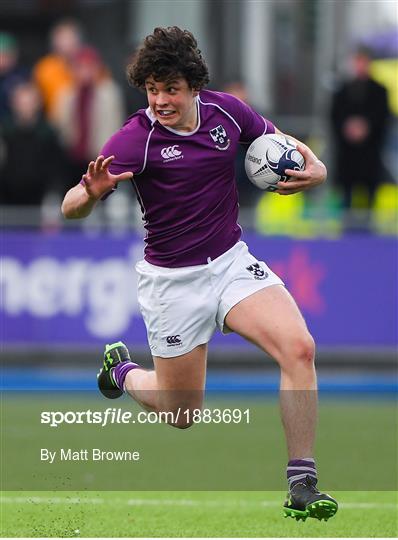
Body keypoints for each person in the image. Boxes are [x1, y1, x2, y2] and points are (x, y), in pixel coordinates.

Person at [61, 26, 337, 521]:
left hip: (231, 263)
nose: (160, 100)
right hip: (172, 282)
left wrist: (315, 169)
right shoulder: (134, 139)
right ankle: (121, 371)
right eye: (151, 89)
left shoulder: (227, 112)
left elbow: (276, 139)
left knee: (300, 348)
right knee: (181, 413)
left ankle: (302, 481)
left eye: (170, 88)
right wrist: (92, 191)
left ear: (193, 85)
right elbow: (70, 207)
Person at [330, 45, 390, 213]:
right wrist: (348, 128)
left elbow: (383, 118)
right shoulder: (342, 90)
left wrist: (366, 128)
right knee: (346, 198)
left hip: (370, 155)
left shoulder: (380, 91)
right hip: (347, 155)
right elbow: (334, 117)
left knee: (370, 199)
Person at [53, 45, 124, 183]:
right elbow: (59, 125)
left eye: (89, 67)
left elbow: (115, 126)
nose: (85, 72)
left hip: (99, 157)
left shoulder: (109, 92)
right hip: (71, 157)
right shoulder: (66, 93)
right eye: (80, 67)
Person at [33, 18, 83, 121]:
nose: (66, 43)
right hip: (54, 124)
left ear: (78, 40)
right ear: (54, 42)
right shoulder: (44, 68)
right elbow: (35, 101)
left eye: (70, 37)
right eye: (61, 38)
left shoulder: (90, 65)